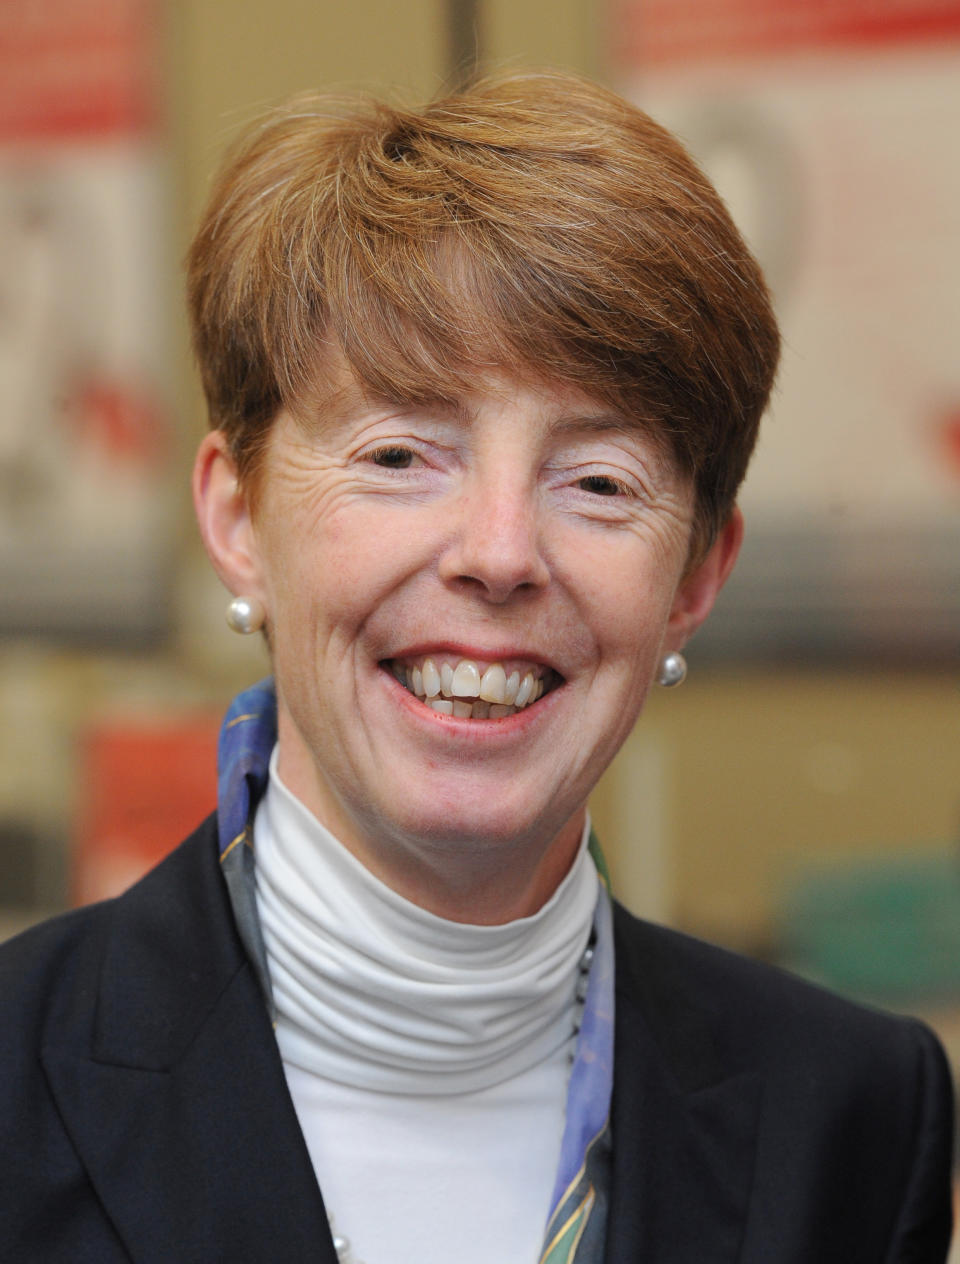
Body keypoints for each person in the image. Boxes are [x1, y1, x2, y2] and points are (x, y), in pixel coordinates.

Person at [0, 70, 952, 1264]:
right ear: (239, 515)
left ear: (697, 579)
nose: (501, 554)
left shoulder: (854, 1119)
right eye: (402, 453)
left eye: (598, 482)